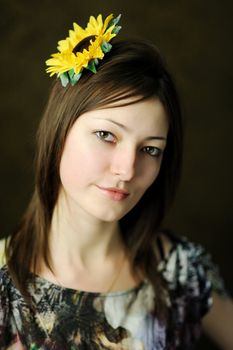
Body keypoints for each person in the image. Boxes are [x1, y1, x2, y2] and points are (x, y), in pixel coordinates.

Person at [0, 13, 232, 350]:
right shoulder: (5, 287)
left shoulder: (180, 269)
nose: (127, 169)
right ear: (59, 131)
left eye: (151, 149)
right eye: (106, 135)